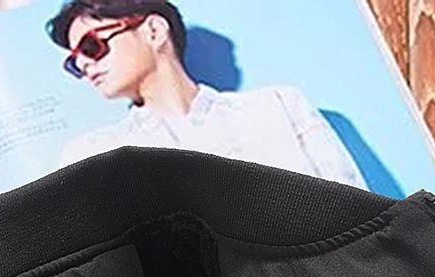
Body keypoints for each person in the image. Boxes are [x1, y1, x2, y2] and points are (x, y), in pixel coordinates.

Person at [47, 2, 366, 186]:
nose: (84, 63)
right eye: (74, 62)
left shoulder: (277, 107)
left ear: (154, 31)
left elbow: (358, 216)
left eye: (91, 46)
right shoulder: (91, 156)